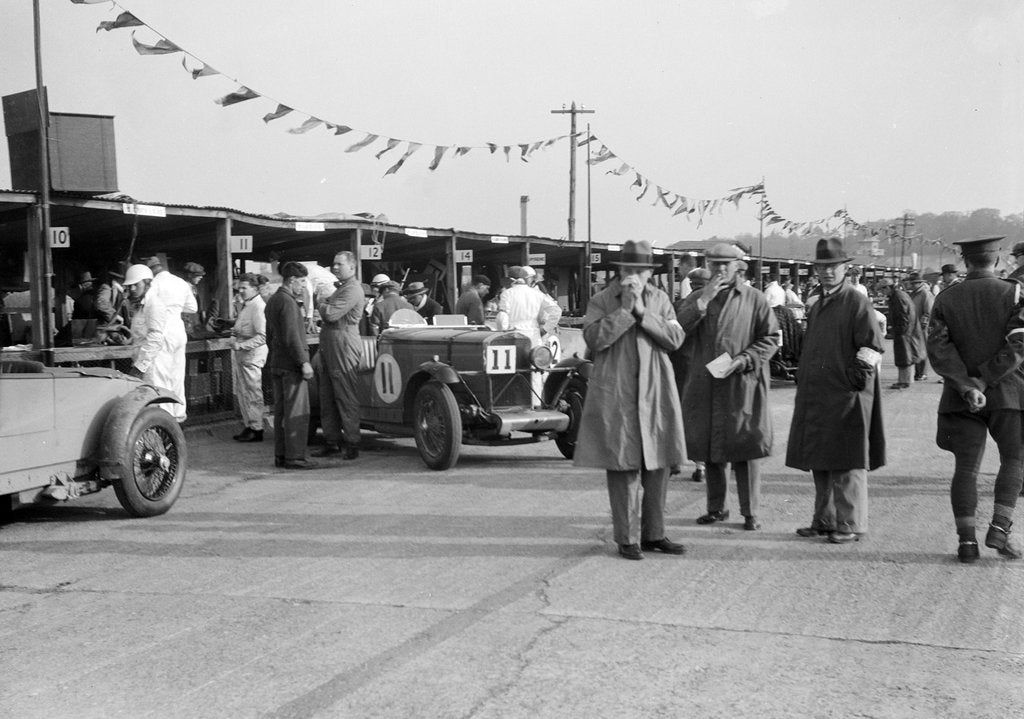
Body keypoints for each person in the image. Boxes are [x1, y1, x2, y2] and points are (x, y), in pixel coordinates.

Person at [574, 239, 687, 561]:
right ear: (620, 271)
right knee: (623, 464)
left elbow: (675, 339)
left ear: (650, 273)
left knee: (658, 463)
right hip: (617, 390)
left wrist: (642, 312)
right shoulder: (601, 300)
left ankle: (655, 534)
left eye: (641, 270)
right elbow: (594, 339)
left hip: (655, 389)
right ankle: (627, 538)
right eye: (629, 270)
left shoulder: (662, 299)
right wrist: (625, 311)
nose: (635, 276)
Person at [927, 236, 1024, 563]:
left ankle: (966, 543)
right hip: (1008, 394)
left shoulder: (945, 297)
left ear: (965, 263)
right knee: (1014, 459)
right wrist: (986, 378)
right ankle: (999, 528)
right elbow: (1018, 346)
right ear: (997, 261)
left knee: (965, 468)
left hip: (961, 397)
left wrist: (968, 385)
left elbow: (939, 350)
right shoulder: (1015, 293)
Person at [786, 238, 886, 544]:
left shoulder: (856, 302)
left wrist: (854, 378)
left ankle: (851, 524)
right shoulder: (818, 304)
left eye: (834, 266)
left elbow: (872, 345)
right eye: (822, 266)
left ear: (845, 268)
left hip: (846, 394)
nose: (827, 272)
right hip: (819, 394)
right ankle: (825, 520)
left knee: (847, 461)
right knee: (821, 460)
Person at [677, 242, 779, 531]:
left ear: (738, 266)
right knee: (712, 449)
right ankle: (716, 508)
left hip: (742, 384)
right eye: (715, 264)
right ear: (708, 266)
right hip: (706, 383)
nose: (720, 269)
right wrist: (703, 299)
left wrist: (746, 359)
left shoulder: (755, 299)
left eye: (726, 264)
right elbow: (677, 330)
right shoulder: (698, 297)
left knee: (745, 449)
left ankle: (751, 513)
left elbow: (771, 338)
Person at [122, 264, 189, 422]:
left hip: (153, 361)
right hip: (147, 360)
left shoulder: (154, 304)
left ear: (146, 282)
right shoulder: (143, 304)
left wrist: (140, 366)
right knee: (153, 398)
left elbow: (155, 338)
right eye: (130, 285)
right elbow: (142, 333)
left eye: (135, 285)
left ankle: (168, 433)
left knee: (159, 395)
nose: (132, 288)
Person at [265, 261, 315, 470]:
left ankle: (281, 455)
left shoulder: (273, 300)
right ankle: (295, 457)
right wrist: (303, 362)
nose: (303, 286)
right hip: (291, 366)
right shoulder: (289, 303)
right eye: (302, 281)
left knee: (281, 412)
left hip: (276, 362)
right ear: (292, 280)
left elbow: (270, 336)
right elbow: (292, 336)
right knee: (296, 413)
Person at [315, 251, 364, 460]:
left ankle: (352, 442)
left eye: (339, 264)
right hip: (332, 342)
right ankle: (331, 441)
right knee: (327, 395)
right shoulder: (343, 289)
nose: (334, 267)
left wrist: (321, 302)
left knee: (344, 394)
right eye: (333, 264)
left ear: (352, 268)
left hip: (343, 343)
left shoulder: (352, 289)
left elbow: (331, 314)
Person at [671, 267, 711, 483]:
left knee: (680, 413)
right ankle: (701, 466)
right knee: (703, 417)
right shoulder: (715, 305)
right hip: (706, 366)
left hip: (682, 365)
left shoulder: (678, 305)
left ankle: (676, 460)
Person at [230, 273, 268, 443]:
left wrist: (241, 345)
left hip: (252, 354)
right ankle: (249, 425)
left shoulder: (258, 307)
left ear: (255, 288)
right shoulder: (247, 305)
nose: (241, 290)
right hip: (243, 355)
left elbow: (262, 336)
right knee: (243, 391)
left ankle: (257, 428)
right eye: (240, 287)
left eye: (245, 287)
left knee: (253, 392)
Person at [877, 277, 922, 389]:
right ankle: (907, 380)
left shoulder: (897, 297)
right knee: (906, 355)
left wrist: (899, 331)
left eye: (882, 290)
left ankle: (904, 381)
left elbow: (902, 316)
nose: (882, 293)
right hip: (907, 331)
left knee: (904, 356)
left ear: (887, 287)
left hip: (904, 332)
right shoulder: (900, 295)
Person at [905, 271, 934, 381]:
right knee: (915, 349)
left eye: (913, 283)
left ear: (919, 283)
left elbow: (928, 311)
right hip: (913, 326)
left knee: (922, 349)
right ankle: (918, 372)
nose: (911, 285)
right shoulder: (914, 293)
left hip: (921, 327)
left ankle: (922, 373)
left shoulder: (925, 294)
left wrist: (923, 324)